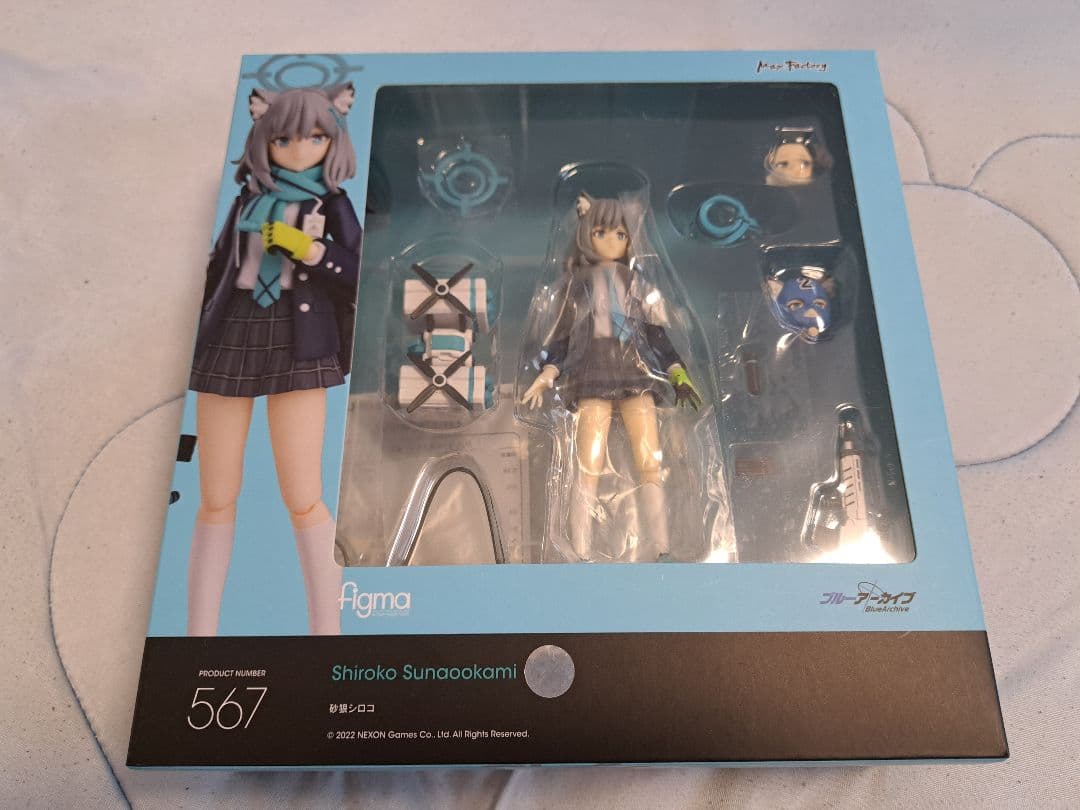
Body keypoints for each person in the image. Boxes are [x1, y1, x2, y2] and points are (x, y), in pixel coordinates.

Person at [186, 83, 361, 635]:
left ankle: (326, 633)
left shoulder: (332, 204)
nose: (299, 148)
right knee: (215, 496)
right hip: (232, 331)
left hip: (300, 335)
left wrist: (310, 249)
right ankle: (198, 635)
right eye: (283, 138)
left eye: (315, 137)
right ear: (263, 137)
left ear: (333, 138)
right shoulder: (246, 201)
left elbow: (360, 271)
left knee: (304, 496)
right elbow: (217, 266)